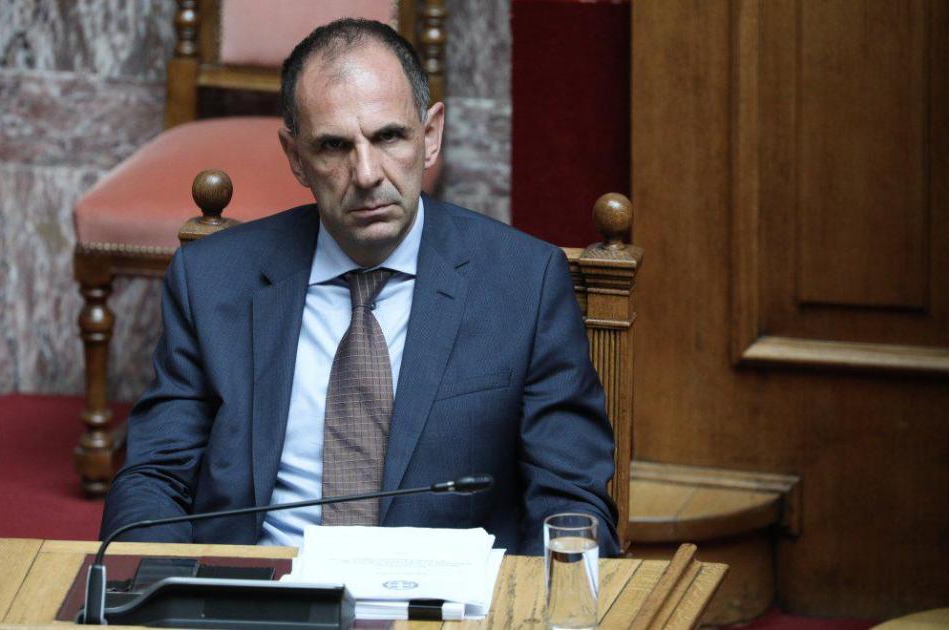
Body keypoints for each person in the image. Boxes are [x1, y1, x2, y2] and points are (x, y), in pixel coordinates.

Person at [100, 18, 618, 556]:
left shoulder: (524, 283)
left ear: (431, 135)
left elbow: (569, 497)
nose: (367, 174)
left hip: (445, 594)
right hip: (262, 587)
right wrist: (156, 587)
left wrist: (540, 596)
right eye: (333, 146)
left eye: (389, 136)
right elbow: (155, 477)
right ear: (296, 157)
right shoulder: (211, 280)